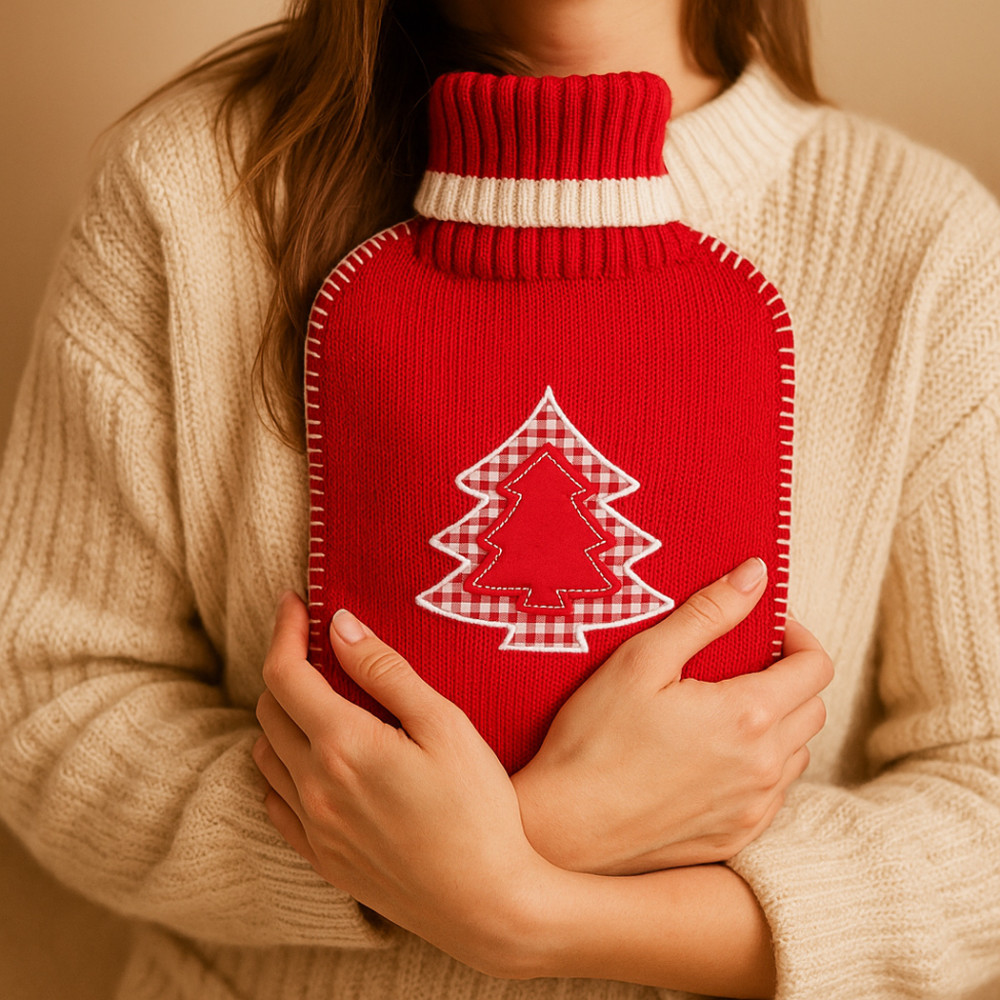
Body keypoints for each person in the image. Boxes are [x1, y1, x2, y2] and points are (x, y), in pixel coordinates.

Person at [0, 1, 998, 999]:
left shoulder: (922, 246)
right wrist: (530, 837)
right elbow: (48, 700)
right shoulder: (189, 192)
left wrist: (535, 912)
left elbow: (982, 806)